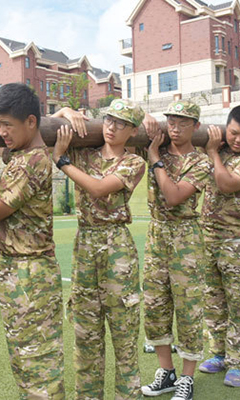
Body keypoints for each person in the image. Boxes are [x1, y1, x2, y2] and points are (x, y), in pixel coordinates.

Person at [0, 83, 65, 399]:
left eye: (8, 125)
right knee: (25, 356)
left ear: (31, 122)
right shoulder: (25, 155)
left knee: (38, 361)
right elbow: (8, 152)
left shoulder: (30, 161)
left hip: (29, 272)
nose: (2, 131)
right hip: (19, 269)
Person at [52, 100, 146, 399]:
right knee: (85, 332)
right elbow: (45, 131)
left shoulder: (133, 162)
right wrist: (63, 113)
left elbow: (99, 188)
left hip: (116, 245)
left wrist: (63, 162)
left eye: (121, 123)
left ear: (132, 131)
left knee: (124, 334)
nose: (112, 127)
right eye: (109, 119)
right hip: (85, 244)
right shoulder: (84, 153)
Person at [139, 100, 210, 400]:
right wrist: (144, 116)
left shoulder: (201, 162)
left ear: (195, 126)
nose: (175, 127)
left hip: (186, 239)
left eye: (183, 122)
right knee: (155, 306)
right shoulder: (156, 147)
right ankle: (166, 373)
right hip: (157, 236)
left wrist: (154, 158)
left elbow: (173, 196)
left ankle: (186, 378)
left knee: (188, 309)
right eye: (171, 121)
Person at [198, 105, 240, 387]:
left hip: (238, 243)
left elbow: (227, 184)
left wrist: (213, 152)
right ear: (227, 127)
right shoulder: (219, 147)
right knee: (213, 302)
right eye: (234, 133)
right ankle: (218, 353)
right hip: (208, 239)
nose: (238, 140)